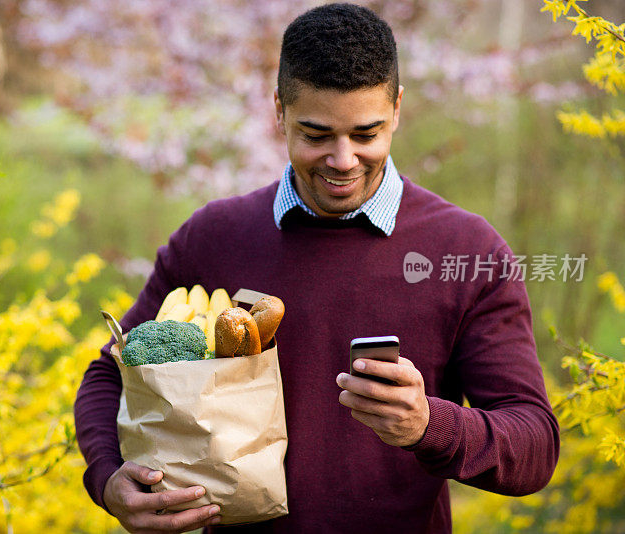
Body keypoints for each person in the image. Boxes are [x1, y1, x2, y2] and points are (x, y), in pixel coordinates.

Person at [74, 4, 560, 533]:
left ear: (397, 109)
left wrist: (428, 424)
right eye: (316, 135)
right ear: (279, 110)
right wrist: (108, 478)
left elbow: (533, 444)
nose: (344, 159)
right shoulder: (213, 237)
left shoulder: (468, 252)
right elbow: (110, 374)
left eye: (366, 134)